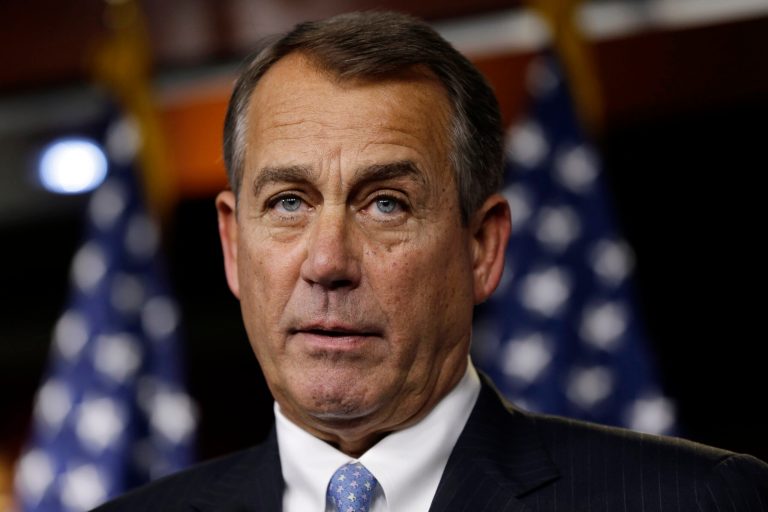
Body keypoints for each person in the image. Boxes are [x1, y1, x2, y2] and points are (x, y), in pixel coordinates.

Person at [94, 10, 768, 512]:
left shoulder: (694, 501)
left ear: (483, 247)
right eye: (289, 203)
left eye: (386, 204)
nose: (327, 261)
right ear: (233, 247)